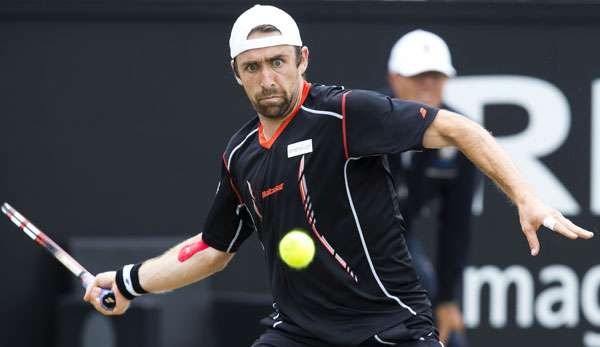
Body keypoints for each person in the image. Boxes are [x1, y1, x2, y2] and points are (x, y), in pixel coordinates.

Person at [84, 5, 593, 347]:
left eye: (278, 62)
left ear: (302, 59)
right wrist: (130, 283)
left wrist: (526, 196)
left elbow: (462, 131)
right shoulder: (240, 154)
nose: (268, 78)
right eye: (253, 67)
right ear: (236, 74)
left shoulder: (345, 115)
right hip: (299, 334)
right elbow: (213, 250)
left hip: (389, 326)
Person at [384, 30, 477, 346]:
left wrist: (448, 299)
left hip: (398, 243)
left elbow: (455, 225)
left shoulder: (460, 134)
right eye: (418, 75)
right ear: (394, 79)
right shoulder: (362, 124)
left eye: (436, 76)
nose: (429, 84)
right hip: (343, 246)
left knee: (448, 335)